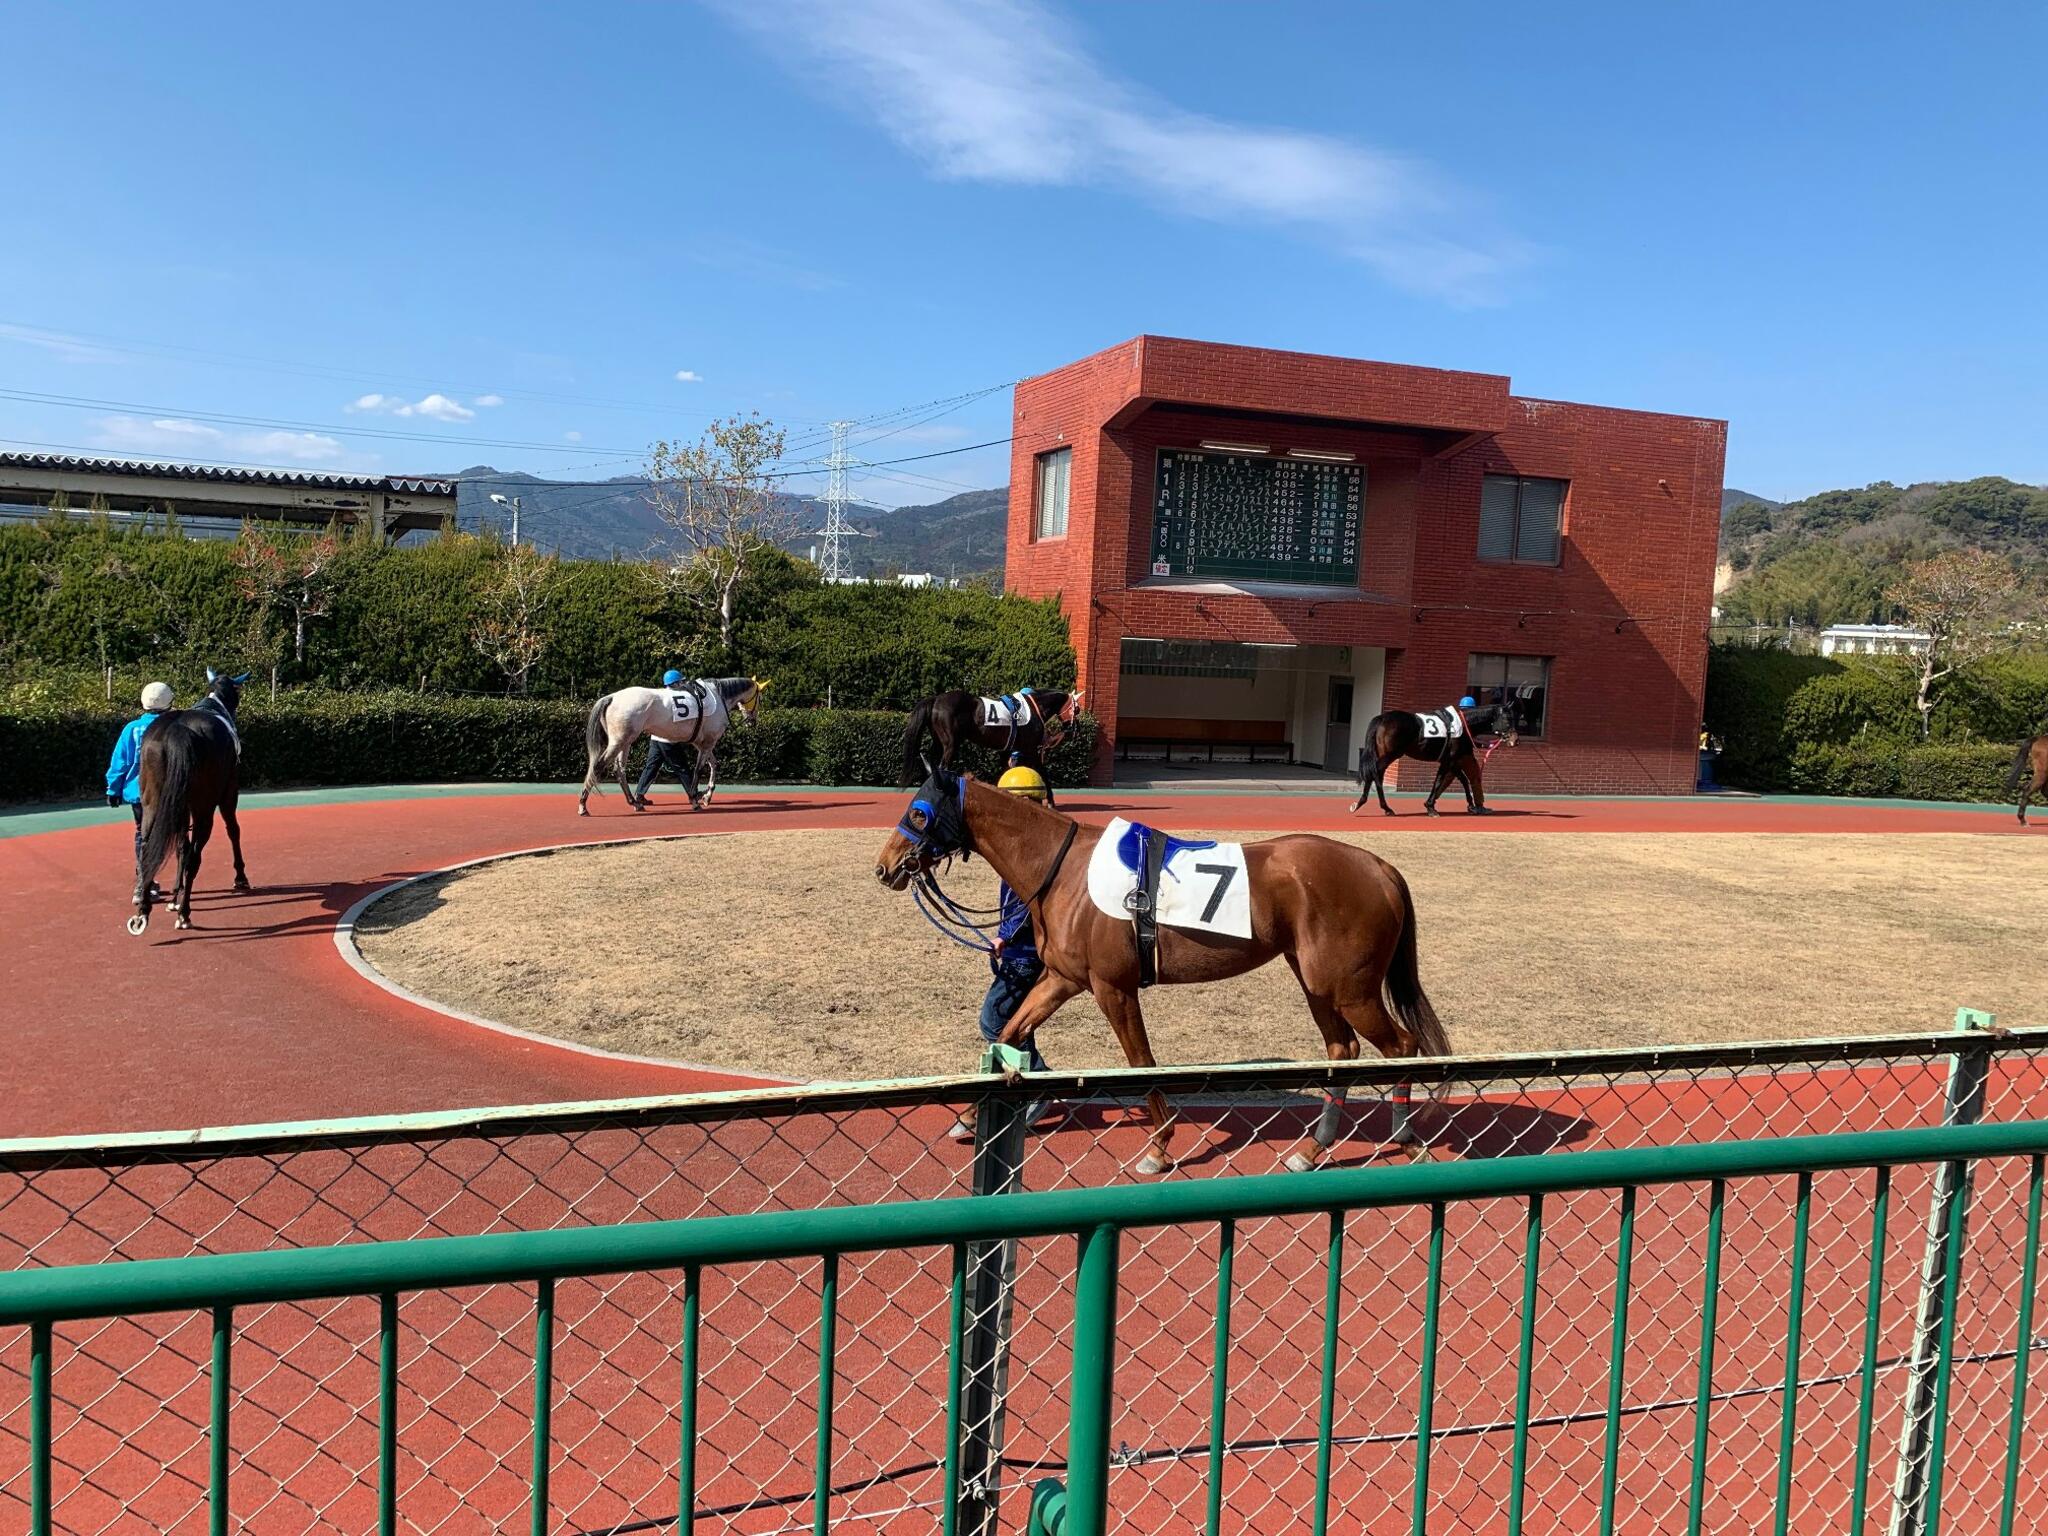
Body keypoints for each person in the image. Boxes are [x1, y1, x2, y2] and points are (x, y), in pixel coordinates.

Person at [951, 760, 1054, 1140]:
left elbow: (1027, 899)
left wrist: (1006, 935)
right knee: (1016, 1024)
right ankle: (1002, 1097)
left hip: (1025, 953)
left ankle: (1039, 1085)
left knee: (994, 1021)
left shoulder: (1030, 847)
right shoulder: (1031, 840)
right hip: (1020, 950)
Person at [107, 681, 173, 892]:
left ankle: (142, 880)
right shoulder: (175, 728)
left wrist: (113, 790)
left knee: (142, 833)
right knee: (170, 834)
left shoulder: (132, 729)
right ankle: (157, 880)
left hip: (138, 794)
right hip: (167, 794)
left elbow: (120, 762)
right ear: (169, 703)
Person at [634, 668, 695, 805]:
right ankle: (693, 795)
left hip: (656, 738)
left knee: (651, 767)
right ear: (674, 684)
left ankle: (639, 794)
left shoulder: (661, 694)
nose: (682, 684)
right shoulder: (683, 696)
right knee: (682, 767)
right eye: (680, 682)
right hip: (669, 739)